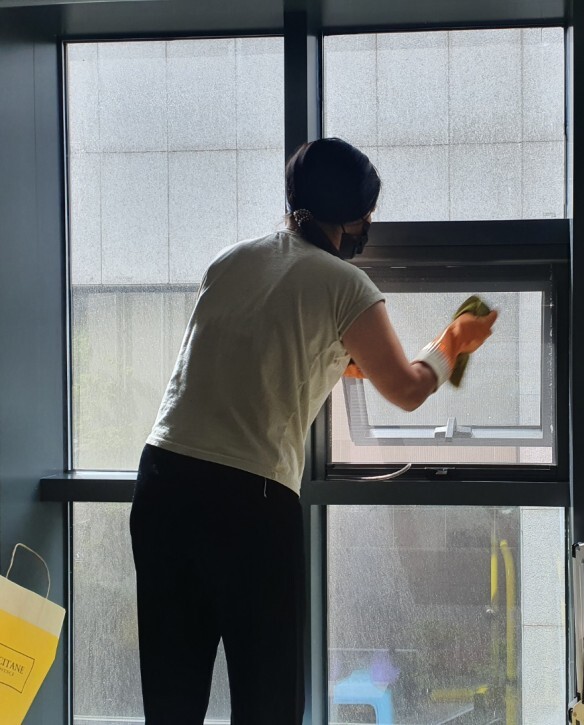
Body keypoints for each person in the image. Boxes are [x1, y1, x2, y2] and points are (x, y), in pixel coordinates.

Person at [129, 138, 497, 724]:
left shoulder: (231, 260)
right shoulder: (344, 283)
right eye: (368, 216)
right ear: (353, 219)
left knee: (172, 698)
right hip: (246, 499)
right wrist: (453, 342)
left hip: (162, 479)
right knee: (268, 700)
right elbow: (406, 389)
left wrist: (344, 357)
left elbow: (258, 352)